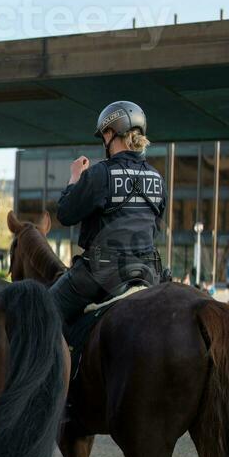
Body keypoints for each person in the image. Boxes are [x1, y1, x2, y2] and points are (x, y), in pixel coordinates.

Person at [50, 100, 166, 337]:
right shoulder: (157, 177)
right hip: (149, 272)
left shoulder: (100, 173)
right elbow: (156, 226)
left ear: (111, 133)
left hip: (101, 273)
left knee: (43, 311)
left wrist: (75, 178)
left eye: (104, 135)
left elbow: (65, 214)